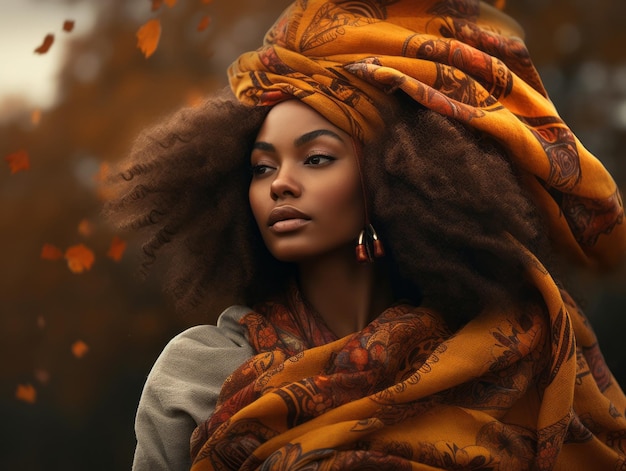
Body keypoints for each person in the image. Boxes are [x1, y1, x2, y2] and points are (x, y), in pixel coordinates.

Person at [105, 0, 626, 469]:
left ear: (389, 179)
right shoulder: (198, 371)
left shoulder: (498, 352)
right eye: (262, 168)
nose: (281, 184)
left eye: (316, 159)